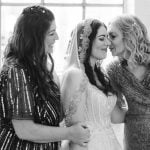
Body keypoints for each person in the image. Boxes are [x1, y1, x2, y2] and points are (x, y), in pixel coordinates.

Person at [0, 5, 90, 150]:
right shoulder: (16, 71)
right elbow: (25, 129)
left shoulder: (46, 67)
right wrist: (70, 133)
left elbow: (56, 117)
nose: (57, 38)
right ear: (34, 37)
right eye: (51, 33)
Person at [60, 18, 125, 150]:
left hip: (111, 144)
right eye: (102, 38)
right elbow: (77, 132)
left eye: (108, 38)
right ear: (86, 41)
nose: (108, 43)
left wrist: (141, 102)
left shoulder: (101, 76)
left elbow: (116, 117)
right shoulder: (75, 75)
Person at [107, 14, 150, 150]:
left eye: (113, 36)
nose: (108, 42)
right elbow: (115, 114)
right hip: (134, 138)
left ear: (129, 37)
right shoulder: (113, 71)